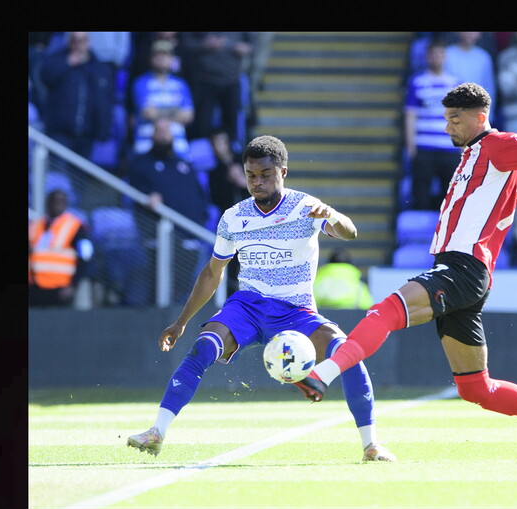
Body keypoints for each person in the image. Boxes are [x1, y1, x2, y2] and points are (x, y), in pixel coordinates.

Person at [293, 83, 517, 461]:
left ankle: (322, 374)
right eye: (446, 119)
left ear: (480, 118)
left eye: (455, 119)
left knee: (383, 312)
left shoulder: (497, 145)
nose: (447, 126)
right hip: (462, 272)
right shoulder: (473, 156)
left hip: (464, 267)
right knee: (475, 388)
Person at [127, 135, 396, 462]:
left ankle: (371, 445)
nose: (257, 182)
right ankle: (157, 432)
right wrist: (181, 322)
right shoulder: (234, 217)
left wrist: (334, 216)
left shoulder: (305, 207)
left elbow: (350, 233)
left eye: (265, 174)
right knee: (204, 345)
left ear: (283, 172)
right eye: (251, 175)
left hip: (296, 310)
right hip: (248, 307)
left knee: (348, 354)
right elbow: (212, 272)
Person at [128, 117, 213, 302]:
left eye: (167, 131)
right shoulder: (141, 163)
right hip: (160, 238)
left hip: (190, 236)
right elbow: (136, 193)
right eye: (160, 131)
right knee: (160, 288)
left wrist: (202, 216)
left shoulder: (184, 164)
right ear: (153, 135)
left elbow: (199, 195)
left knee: (187, 290)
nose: (164, 135)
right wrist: (147, 197)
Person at [404, 38, 463, 210]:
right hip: (424, 148)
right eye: (434, 54)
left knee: (450, 197)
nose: (437, 58)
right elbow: (410, 116)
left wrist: (462, 147)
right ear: (428, 57)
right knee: (420, 195)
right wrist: (411, 147)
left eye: (440, 54)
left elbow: (461, 117)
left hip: (449, 147)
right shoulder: (417, 82)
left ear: (445, 56)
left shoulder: (456, 84)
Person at [39, 31, 114, 162]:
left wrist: (103, 130)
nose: (78, 44)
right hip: (60, 132)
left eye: (82, 40)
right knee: (57, 173)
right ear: (69, 42)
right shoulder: (57, 58)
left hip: (87, 135)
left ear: (88, 42)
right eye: (75, 40)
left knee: (81, 173)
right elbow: (45, 77)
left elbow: (105, 101)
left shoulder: (99, 67)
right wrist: (67, 62)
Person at [178, 32, 254, 148]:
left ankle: (231, 153)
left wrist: (244, 48)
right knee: (202, 123)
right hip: (205, 79)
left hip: (232, 80)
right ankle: (202, 152)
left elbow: (252, 45)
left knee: (232, 122)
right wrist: (204, 44)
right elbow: (186, 43)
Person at [129, 39, 195, 158]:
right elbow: (148, 113)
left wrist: (159, 112)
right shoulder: (141, 83)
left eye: (165, 55)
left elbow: (188, 115)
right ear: (151, 58)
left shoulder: (181, 84)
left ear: (172, 59)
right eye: (157, 55)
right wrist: (175, 111)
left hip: (178, 146)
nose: (161, 58)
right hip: (146, 144)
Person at [28, 190, 94, 307]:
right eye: (53, 201)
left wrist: (73, 285)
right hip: (34, 286)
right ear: (47, 203)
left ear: (66, 204)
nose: (57, 204)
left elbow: (86, 256)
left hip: (60, 287)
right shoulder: (35, 225)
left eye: (61, 201)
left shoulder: (76, 227)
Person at [207, 129, 248, 295]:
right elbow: (217, 199)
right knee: (230, 263)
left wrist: (242, 181)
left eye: (221, 142)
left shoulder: (246, 163)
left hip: (251, 221)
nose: (219, 147)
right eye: (215, 143)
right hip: (230, 224)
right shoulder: (215, 172)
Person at [444, 33, 497, 121]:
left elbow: (490, 88)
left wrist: (488, 115)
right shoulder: (447, 54)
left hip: (476, 115)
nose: (469, 34)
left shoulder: (484, 57)